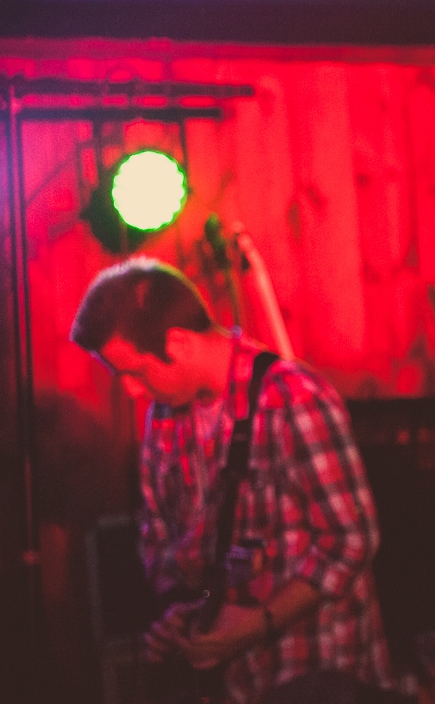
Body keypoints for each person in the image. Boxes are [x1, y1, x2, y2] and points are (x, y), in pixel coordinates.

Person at [70, 258, 398, 704]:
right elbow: (161, 538)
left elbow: (352, 540)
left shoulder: (294, 398)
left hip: (318, 669)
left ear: (179, 342)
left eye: (136, 372)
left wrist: (257, 623)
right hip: (231, 683)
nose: (131, 391)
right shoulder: (165, 416)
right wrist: (182, 612)